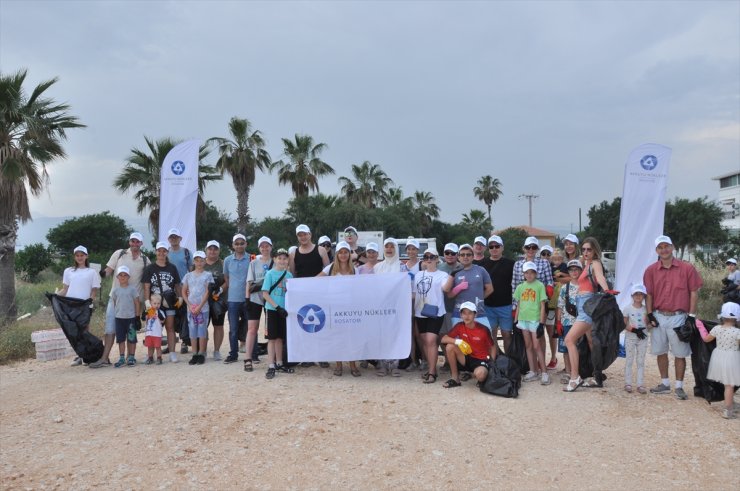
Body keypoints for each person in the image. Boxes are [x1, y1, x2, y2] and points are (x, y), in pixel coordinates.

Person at [643, 234, 703, 400]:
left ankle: (679, 386)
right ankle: (665, 383)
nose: (664, 250)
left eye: (666, 246)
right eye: (660, 247)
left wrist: (691, 316)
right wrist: (649, 314)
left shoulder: (687, 268)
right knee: (660, 351)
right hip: (659, 315)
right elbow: (649, 294)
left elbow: (693, 292)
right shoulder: (650, 270)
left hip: (679, 316)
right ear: (656, 250)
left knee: (680, 353)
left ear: (672, 247)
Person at [91, 232, 150, 368]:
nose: (135, 244)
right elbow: (109, 270)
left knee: (131, 330)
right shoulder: (119, 254)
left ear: (141, 244)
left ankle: (130, 357)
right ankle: (105, 358)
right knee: (110, 328)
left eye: (137, 242)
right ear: (129, 242)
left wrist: (144, 306)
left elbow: (146, 283)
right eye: (132, 241)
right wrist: (102, 274)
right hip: (115, 299)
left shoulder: (145, 260)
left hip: (134, 301)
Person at [563, 237, 611, 392]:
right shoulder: (586, 263)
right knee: (591, 342)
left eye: (589, 249)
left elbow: (600, 277)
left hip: (587, 306)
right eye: (583, 249)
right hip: (584, 305)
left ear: (595, 250)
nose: (585, 252)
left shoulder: (595, 263)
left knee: (569, 340)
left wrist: (607, 290)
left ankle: (575, 377)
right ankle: (596, 375)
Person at [290, 224, 330, 368]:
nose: (303, 237)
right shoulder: (294, 253)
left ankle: (322, 356)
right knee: (305, 325)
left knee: (321, 324)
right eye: (300, 235)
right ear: (297, 237)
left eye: (305, 234)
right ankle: (308, 356)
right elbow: (293, 274)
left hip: (319, 294)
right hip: (302, 295)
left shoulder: (321, 250)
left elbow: (328, 271)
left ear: (310, 234)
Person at [319, 241, 360, 376]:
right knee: (337, 336)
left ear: (349, 254)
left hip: (350, 308)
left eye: (345, 252)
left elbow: (362, 288)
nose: (343, 255)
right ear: (337, 254)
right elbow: (315, 280)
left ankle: (353, 364)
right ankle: (338, 364)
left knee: (352, 337)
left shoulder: (355, 270)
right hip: (334, 308)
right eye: (340, 252)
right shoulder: (330, 269)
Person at [413, 248, 453, 384]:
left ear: (437, 259)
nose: (429, 259)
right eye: (426, 256)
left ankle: (432, 372)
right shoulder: (418, 275)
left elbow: (446, 289)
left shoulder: (442, 275)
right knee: (425, 340)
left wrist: (451, 277)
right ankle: (431, 368)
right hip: (420, 312)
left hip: (436, 312)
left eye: (431, 257)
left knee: (431, 340)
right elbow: (414, 293)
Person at [58, 245, 101, 366]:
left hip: (84, 305)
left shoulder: (91, 272)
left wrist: (89, 303)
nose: (80, 257)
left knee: (84, 329)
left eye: (82, 255)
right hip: (71, 305)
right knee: (74, 331)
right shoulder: (68, 271)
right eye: (77, 255)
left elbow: (94, 291)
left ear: (86, 256)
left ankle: (86, 355)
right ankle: (79, 354)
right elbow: (65, 290)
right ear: (74, 257)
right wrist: (55, 296)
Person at [697, 302, 740, 419]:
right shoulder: (737, 332)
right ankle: (728, 410)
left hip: (718, 358)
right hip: (732, 359)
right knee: (730, 385)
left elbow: (706, 339)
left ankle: (730, 403)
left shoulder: (717, 329)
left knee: (727, 384)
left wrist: (700, 326)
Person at [142, 242, 182, 363]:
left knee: (170, 327)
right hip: (154, 303)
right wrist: (147, 301)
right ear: (156, 252)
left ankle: (172, 352)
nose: (161, 253)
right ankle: (151, 355)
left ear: (167, 252)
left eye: (164, 251)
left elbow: (177, 285)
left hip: (169, 301)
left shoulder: (172, 267)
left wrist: (180, 297)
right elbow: (146, 286)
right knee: (152, 328)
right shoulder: (150, 268)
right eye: (159, 250)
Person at [440, 302, 496, 388]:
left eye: (470, 313)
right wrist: (458, 341)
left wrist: (492, 363)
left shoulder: (483, 329)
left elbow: (492, 346)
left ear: (475, 315)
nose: (467, 316)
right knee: (450, 346)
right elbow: (443, 339)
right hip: (465, 358)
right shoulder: (459, 326)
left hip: (480, 360)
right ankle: (455, 379)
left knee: (480, 375)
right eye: (464, 313)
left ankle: (478, 375)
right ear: (461, 315)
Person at [513, 261, 549, 384]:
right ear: (523, 274)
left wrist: (542, 323)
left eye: (532, 272)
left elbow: (543, 305)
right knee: (528, 346)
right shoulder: (520, 287)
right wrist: (516, 320)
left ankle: (544, 372)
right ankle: (533, 371)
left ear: (536, 273)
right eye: (526, 272)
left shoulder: (539, 286)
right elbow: (518, 304)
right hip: (523, 320)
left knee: (536, 346)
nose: (529, 275)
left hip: (535, 319)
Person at [262, 248, 294, 379]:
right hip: (272, 309)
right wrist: (276, 307)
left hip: (283, 311)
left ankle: (280, 362)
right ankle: (271, 364)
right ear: (274, 259)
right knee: (272, 338)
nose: (282, 261)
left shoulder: (289, 275)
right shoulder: (270, 274)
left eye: (285, 258)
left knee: (280, 337)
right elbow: (265, 293)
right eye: (279, 258)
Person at [374, 238, 404, 376]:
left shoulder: (402, 266)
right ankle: (382, 365)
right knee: (381, 335)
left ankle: (395, 365)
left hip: (397, 306)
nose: (389, 249)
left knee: (396, 335)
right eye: (387, 246)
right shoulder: (377, 267)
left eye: (392, 246)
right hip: (381, 306)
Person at [480, 235, 515, 354]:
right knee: (491, 335)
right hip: (488, 306)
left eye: (497, 246)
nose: (494, 248)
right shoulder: (482, 264)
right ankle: (495, 362)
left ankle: (509, 362)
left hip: (506, 305)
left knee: (507, 334)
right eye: (491, 246)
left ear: (502, 247)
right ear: (488, 248)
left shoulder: (511, 264)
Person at [448, 244, 493, 330]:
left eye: (468, 254)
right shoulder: (454, 272)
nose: (465, 257)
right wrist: (459, 288)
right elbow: (449, 295)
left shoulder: (481, 270)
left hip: (479, 313)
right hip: (459, 314)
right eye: (462, 255)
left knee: (485, 340)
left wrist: (479, 298)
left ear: (473, 257)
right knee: (459, 342)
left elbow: (490, 289)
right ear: (458, 257)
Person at [244, 236, 273, 372]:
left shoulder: (276, 261)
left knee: (271, 331)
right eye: (262, 246)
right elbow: (249, 282)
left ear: (271, 247)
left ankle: (272, 360)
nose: (265, 248)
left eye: (267, 245)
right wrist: (247, 299)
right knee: (252, 329)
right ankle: (248, 358)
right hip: (256, 298)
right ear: (259, 248)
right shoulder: (254, 263)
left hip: (271, 299)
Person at [182, 251, 214, 365]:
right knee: (192, 330)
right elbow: (184, 291)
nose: (199, 263)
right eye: (197, 260)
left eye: (201, 260)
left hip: (203, 308)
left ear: (205, 261)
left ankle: (201, 353)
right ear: (194, 261)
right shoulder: (188, 275)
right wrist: (189, 305)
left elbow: (207, 291)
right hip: (191, 308)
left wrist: (200, 306)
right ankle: (194, 353)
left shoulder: (208, 275)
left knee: (202, 330)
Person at [222, 233, 250, 364]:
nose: (239, 246)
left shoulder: (252, 258)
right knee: (233, 329)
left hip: (248, 298)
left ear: (246, 244)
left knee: (250, 327)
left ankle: (253, 354)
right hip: (233, 299)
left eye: (242, 243)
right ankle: (233, 354)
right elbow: (227, 279)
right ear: (233, 245)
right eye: (237, 243)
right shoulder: (227, 260)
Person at [166, 228, 193, 354]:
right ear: (168, 239)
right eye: (171, 237)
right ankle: (171, 343)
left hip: (183, 288)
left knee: (183, 316)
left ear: (180, 238)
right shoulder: (165, 253)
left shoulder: (187, 253)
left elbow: (191, 271)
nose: (173, 239)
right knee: (169, 316)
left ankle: (184, 342)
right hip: (169, 289)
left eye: (176, 237)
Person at [556, 259, 582, 383]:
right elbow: (560, 305)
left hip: (581, 323)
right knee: (566, 348)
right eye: (571, 270)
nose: (574, 272)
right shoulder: (564, 288)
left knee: (580, 347)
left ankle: (579, 371)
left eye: (576, 269)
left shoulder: (584, 287)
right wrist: (558, 321)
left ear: (581, 271)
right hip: (567, 321)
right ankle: (568, 371)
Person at [110, 265, 140, 367]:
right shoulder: (115, 291)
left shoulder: (132, 289)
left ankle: (131, 356)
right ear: (117, 277)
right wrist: (116, 314)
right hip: (119, 318)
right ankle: (122, 357)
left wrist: (137, 316)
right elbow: (114, 302)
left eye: (125, 275)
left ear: (128, 277)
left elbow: (137, 303)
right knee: (121, 339)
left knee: (131, 338)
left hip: (130, 318)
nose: (123, 277)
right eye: (120, 275)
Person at [622, 284, 649, 394]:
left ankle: (640, 384)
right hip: (630, 337)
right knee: (629, 360)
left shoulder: (646, 309)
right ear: (632, 296)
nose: (638, 296)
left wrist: (651, 324)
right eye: (636, 294)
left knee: (640, 361)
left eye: (640, 294)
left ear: (644, 296)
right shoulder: (627, 308)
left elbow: (648, 323)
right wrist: (634, 330)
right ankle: (628, 383)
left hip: (643, 337)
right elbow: (623, 324)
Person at [203, 240, 226, 360]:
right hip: (203, 300)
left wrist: (220, 290)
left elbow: (228, 280)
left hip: (219, 300)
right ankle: (203, 350)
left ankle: (216, 351)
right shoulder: (199, 263)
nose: (212, 251)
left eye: (215, 249)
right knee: (203, 325)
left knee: (218, 325)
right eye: (210, 249)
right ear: (206, 250)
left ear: (219, 251)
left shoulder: (223, 263)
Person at [142, 293, 166, 365]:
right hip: (149, 332)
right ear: (151, 303)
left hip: (157, 333)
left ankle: (159, 358)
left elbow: (163, 319)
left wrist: (157, 313)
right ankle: (150, 358)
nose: (156, 305)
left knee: (158, 346)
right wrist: (147, 310)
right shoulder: (149, 310)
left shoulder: (160, 312)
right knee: (150, 346)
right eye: (154, 303)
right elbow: (143, 318)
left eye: (158, 303)